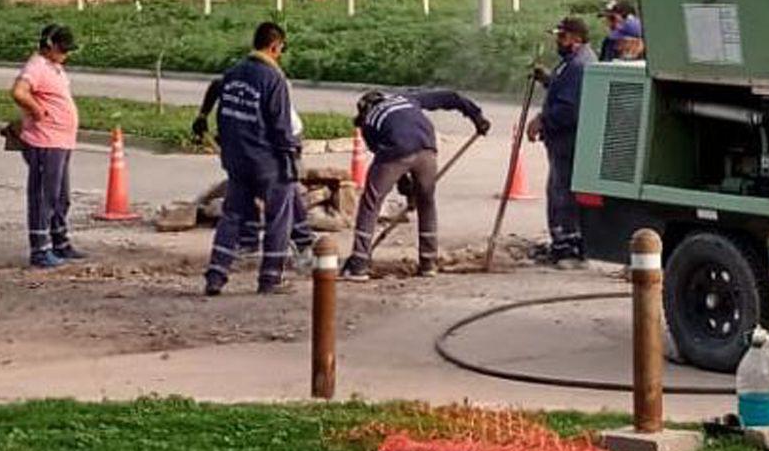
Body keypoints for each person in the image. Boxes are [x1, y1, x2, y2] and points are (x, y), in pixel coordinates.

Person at [340, 89, 490, 281]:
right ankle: (428, 264)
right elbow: (451, 97)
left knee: (371, 202)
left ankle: (358, 265)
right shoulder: (405, 98)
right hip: (426, 148)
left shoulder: (369, 123)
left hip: (397, 151)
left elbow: (391, 162)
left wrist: (406, 188)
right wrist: (476, 116)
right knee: (426, 202)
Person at [203, 22, 301, 296]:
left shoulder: (234, 73)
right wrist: (291, 155)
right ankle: (270, 279)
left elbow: (222, 112)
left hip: (236, 159)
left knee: (231, 216)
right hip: (266, 161)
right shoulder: (274, 80)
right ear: (275, 46)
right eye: (281, 48)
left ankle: (216, 274)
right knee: (279, 218)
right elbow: (281, 127)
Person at [193, 76, 315, 271]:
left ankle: (302, 242)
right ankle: (249, 240)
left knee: (284, 193)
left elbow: (282, 134)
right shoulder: (237, 86)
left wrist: (284, 162)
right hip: (254, 145)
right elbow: (217, 86)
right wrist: (202, 116)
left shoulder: (273, 99)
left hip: (284, 142)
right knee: (246, 186)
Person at [10, 24, 84, 270]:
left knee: (61, 197)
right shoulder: (36, 66)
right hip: (45, 141)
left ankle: (59, 241)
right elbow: (19, 92)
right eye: (63, 50)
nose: (66, 55)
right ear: (50, 46)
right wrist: (36, 109)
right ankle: (40, 250)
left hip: (61, 141)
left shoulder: (55, 67)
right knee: (43, 196)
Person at [526, 17, 596, 267]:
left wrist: (542, 120)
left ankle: (570, 249)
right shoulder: (570, 63)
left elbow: (569, 109)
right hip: (563, 141)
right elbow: (563, 90)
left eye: (563, 37)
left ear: (576, 40)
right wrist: (547, 79)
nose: (558, 41)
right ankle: (562, 244)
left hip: (570, 140)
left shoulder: (579, 65)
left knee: (563, 193)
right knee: (559, 191)